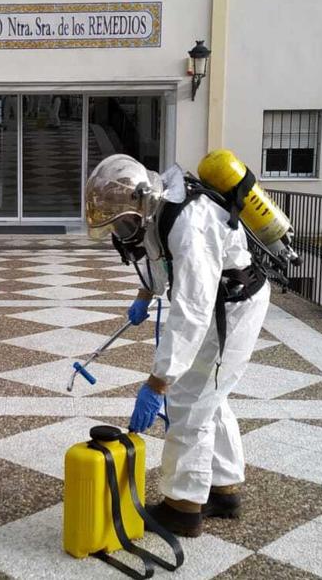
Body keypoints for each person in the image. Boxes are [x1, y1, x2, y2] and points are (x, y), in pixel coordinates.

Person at [84, 154, 271, 538]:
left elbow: (192, 309)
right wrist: (144, 293)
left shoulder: (189, 221)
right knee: (209, 395)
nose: (120, 233)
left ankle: (183, 508)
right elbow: (156, 254)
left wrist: (158, 382)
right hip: (223, 299)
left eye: (121, 223)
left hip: (233, 306)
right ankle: (223, 487)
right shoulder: (160, 206)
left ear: (138, 203)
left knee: (188, 402)